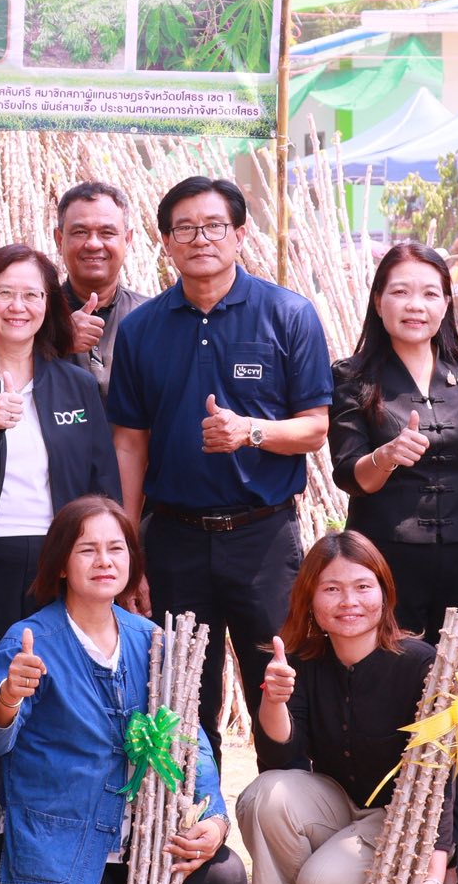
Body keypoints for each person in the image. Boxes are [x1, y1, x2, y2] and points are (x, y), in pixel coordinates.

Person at [0, 496, 242, 884]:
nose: (104, 561)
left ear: (132, 560)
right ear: (62, 565)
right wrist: (7, 696)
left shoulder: (153, 640)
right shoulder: (29, 639)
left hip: (139, 837)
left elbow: (189, 739)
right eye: (87, 549)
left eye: (116, 548)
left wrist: (214, 819)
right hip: (57, 841)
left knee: (225, 878)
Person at [106, 175, 332, 755]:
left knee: (280, 690)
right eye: (185, 228)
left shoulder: (288, 314)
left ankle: (286, 828)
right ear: (165, 241)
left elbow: (315, 428)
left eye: (213, 226)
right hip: (174, 540)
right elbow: (129, 444)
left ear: (239, 234)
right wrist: (131, 553)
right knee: (182, 703)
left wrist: (249, 432)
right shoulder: (139, 329)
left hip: (264, 537)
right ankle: (195, 838)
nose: (199, 238)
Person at [236, 531, 447, 884]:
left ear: (385, 593)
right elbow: (283, 758)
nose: (348, 601)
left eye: (362, 586)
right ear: (310, 599)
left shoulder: (420, 663)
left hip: (399, 820)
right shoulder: (302, 660)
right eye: (331, 588)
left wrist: (431, 877)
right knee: (265, 794)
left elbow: (442, 784)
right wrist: (274, 702)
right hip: (338, 806)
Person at [0, 244, 117, 668]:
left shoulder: (77, 385)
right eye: (4, 293)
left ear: (49, 306)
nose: (18, 306)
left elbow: (102, 483)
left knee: (60, 683)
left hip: (62, 563)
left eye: (32, 295)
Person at [328, 243, 458, 641]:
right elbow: (350, 475)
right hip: (386, 557)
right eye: (400, 292)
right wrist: (385, 456)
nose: (415, 305)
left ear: (447, 303)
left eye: (430, 293)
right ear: (378, 301)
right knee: (393, 678)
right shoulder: (352, 377)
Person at [54, 181, 148, 391]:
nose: (93, 244)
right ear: (59, 240)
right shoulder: (32, 317)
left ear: (128, 239)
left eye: (107, 233)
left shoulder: (152, 318)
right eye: (80, 232)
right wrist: (56, 341)